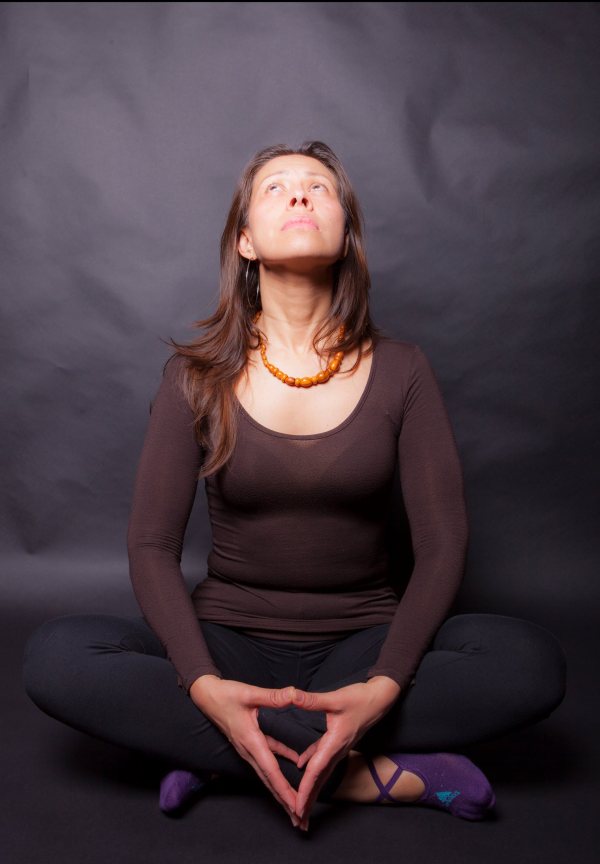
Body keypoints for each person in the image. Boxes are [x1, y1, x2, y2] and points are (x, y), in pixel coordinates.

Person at [23, 141, 566, 832]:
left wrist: (383, 685)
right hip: (228, 642)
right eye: (276, 187)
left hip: (364, 643)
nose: (302, 194)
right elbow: (151, 545)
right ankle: (370, 774)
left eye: (320, 187)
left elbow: (441, 543)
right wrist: (206, 686)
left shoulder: (403, 370)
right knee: (56, 657)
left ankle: (222, 757)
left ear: (346, 235)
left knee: (530, 663)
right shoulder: (195, 377)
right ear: (245, 241)